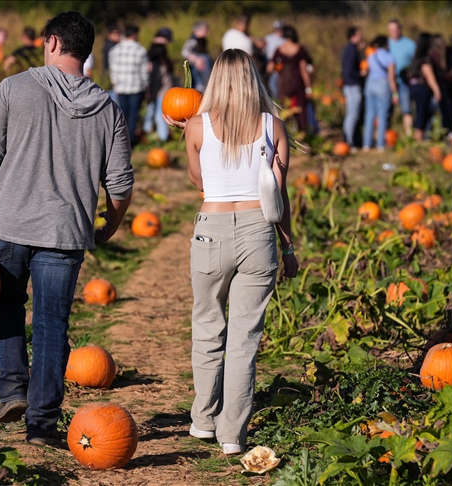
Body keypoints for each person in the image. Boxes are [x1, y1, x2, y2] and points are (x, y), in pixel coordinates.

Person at [0, 11, 133, 447]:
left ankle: (12, 390)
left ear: (50, 42)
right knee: (52, 326)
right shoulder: (108, 109)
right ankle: (43, 424)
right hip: (65, 234)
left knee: (7, 306)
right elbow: (120, 184)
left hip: (10, 225)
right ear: (85, 54)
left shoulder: (14, 88)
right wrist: (109, 224)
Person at [163, 48, 298, 456]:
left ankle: (203, 420)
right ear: (253, 80)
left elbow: (197, 179)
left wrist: (188, 132)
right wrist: (288, 246)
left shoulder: (198, 126)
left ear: (217, 80)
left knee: (207, 325)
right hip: (259, 231)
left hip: (212, 231)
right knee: (244, 338)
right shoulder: (273, 126)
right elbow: (280, 194)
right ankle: (231, 435)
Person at [108, 24, 148, 144]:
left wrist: (114, 81)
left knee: (122, 115)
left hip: (120, 87)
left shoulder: (115, 49)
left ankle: (120, 139)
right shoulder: (140, 50)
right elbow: (144, 71)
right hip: (136, 87)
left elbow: (112, 68)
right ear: (135, 35)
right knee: (133, 115)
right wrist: (146, 85)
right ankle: (130, 140)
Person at [268, 25, 312, 133]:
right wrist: (308, 87)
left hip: (284, 82)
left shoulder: (279, 50)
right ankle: (302, 133)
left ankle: (284, 133)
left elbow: (270, 68)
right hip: (298, 81)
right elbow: (303, 70)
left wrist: (279, 68)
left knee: (284, 108)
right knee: (301, 108)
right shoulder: (300, 49)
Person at [362, 36, 397, 151]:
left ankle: (366, 143)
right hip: (383, 84)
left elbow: (365, 70)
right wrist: (395, 93)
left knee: (370, 114)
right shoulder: (389, 57)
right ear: (386, 45)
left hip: (370, 84)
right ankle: (380, 144)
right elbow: (391, 77)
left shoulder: (371, 55)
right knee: (382, 115)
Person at [406, 33, 442, 141]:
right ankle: (420, 137)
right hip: (422, 89)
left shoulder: (415, 58)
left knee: (418, 112)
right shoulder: (426, 59)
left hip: (413, 87)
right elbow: (429, 76)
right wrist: (437, 90)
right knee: (422, 113)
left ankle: (419, 136)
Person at [143, 29, 174, 143]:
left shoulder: (160, 57)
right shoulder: (155, 56)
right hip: (158, 90)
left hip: (161, 90)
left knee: (156, 111)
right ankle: (161, 135)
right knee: (158, 113)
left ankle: (160, 135)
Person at [387, 19, 416, 136]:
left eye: (397, 29)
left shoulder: (410, 44)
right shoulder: (385, 44)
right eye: (392, 30)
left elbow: (415, 62)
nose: (395, 32)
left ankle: (409, 135)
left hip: (403, 82)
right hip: (387, 81)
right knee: (386, 111)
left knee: (406, 109)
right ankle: (385, 136)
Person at [341, 26, 364, 148]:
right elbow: (348, 71)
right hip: (352, 86)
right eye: (359, 34)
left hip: (351, 85)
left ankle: (350, 139)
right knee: (352, 114)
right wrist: (360, 74)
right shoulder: (350, 50)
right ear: (353, 36)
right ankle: (348, 140)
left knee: (353, 113)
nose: (362, 36)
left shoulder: (352, 49)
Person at [182, 21, 212, 91]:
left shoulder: (202, 41)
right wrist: (196, 60)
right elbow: (184, 51)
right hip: (198, 77)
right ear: (198, 30)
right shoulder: (193, 41)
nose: (207, 33)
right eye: (205, 30)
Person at [263, 21, 285, 97]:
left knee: (275, 82)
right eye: (277, 29)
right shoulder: (268, 38)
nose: (279, 31)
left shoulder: (285, 40)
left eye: (281, 29)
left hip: (280, 65)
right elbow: (264, 51)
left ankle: (277, 101)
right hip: (269, 63)